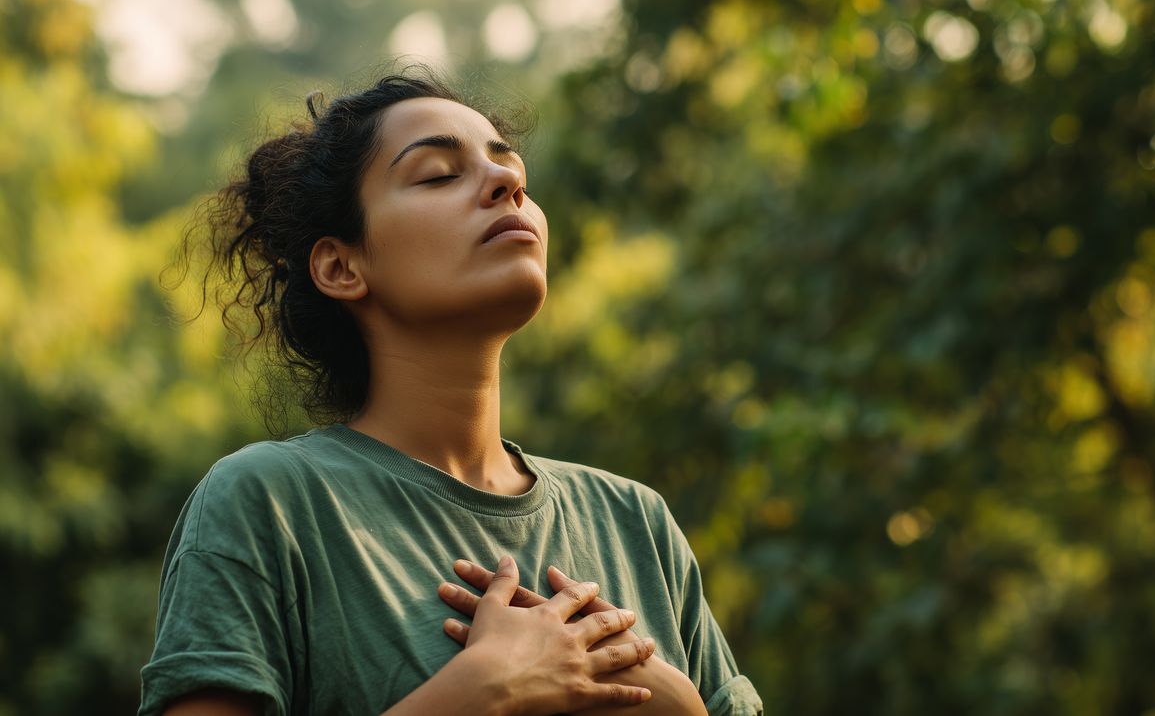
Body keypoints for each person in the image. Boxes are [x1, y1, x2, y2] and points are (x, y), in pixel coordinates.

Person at [138, 67, 764, 716]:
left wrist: (678, 704)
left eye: (510, 167)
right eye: (439, 173)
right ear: (341, 265)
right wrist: (483, 689)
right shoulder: (269, 505)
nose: (508, 183)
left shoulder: (637, 522)